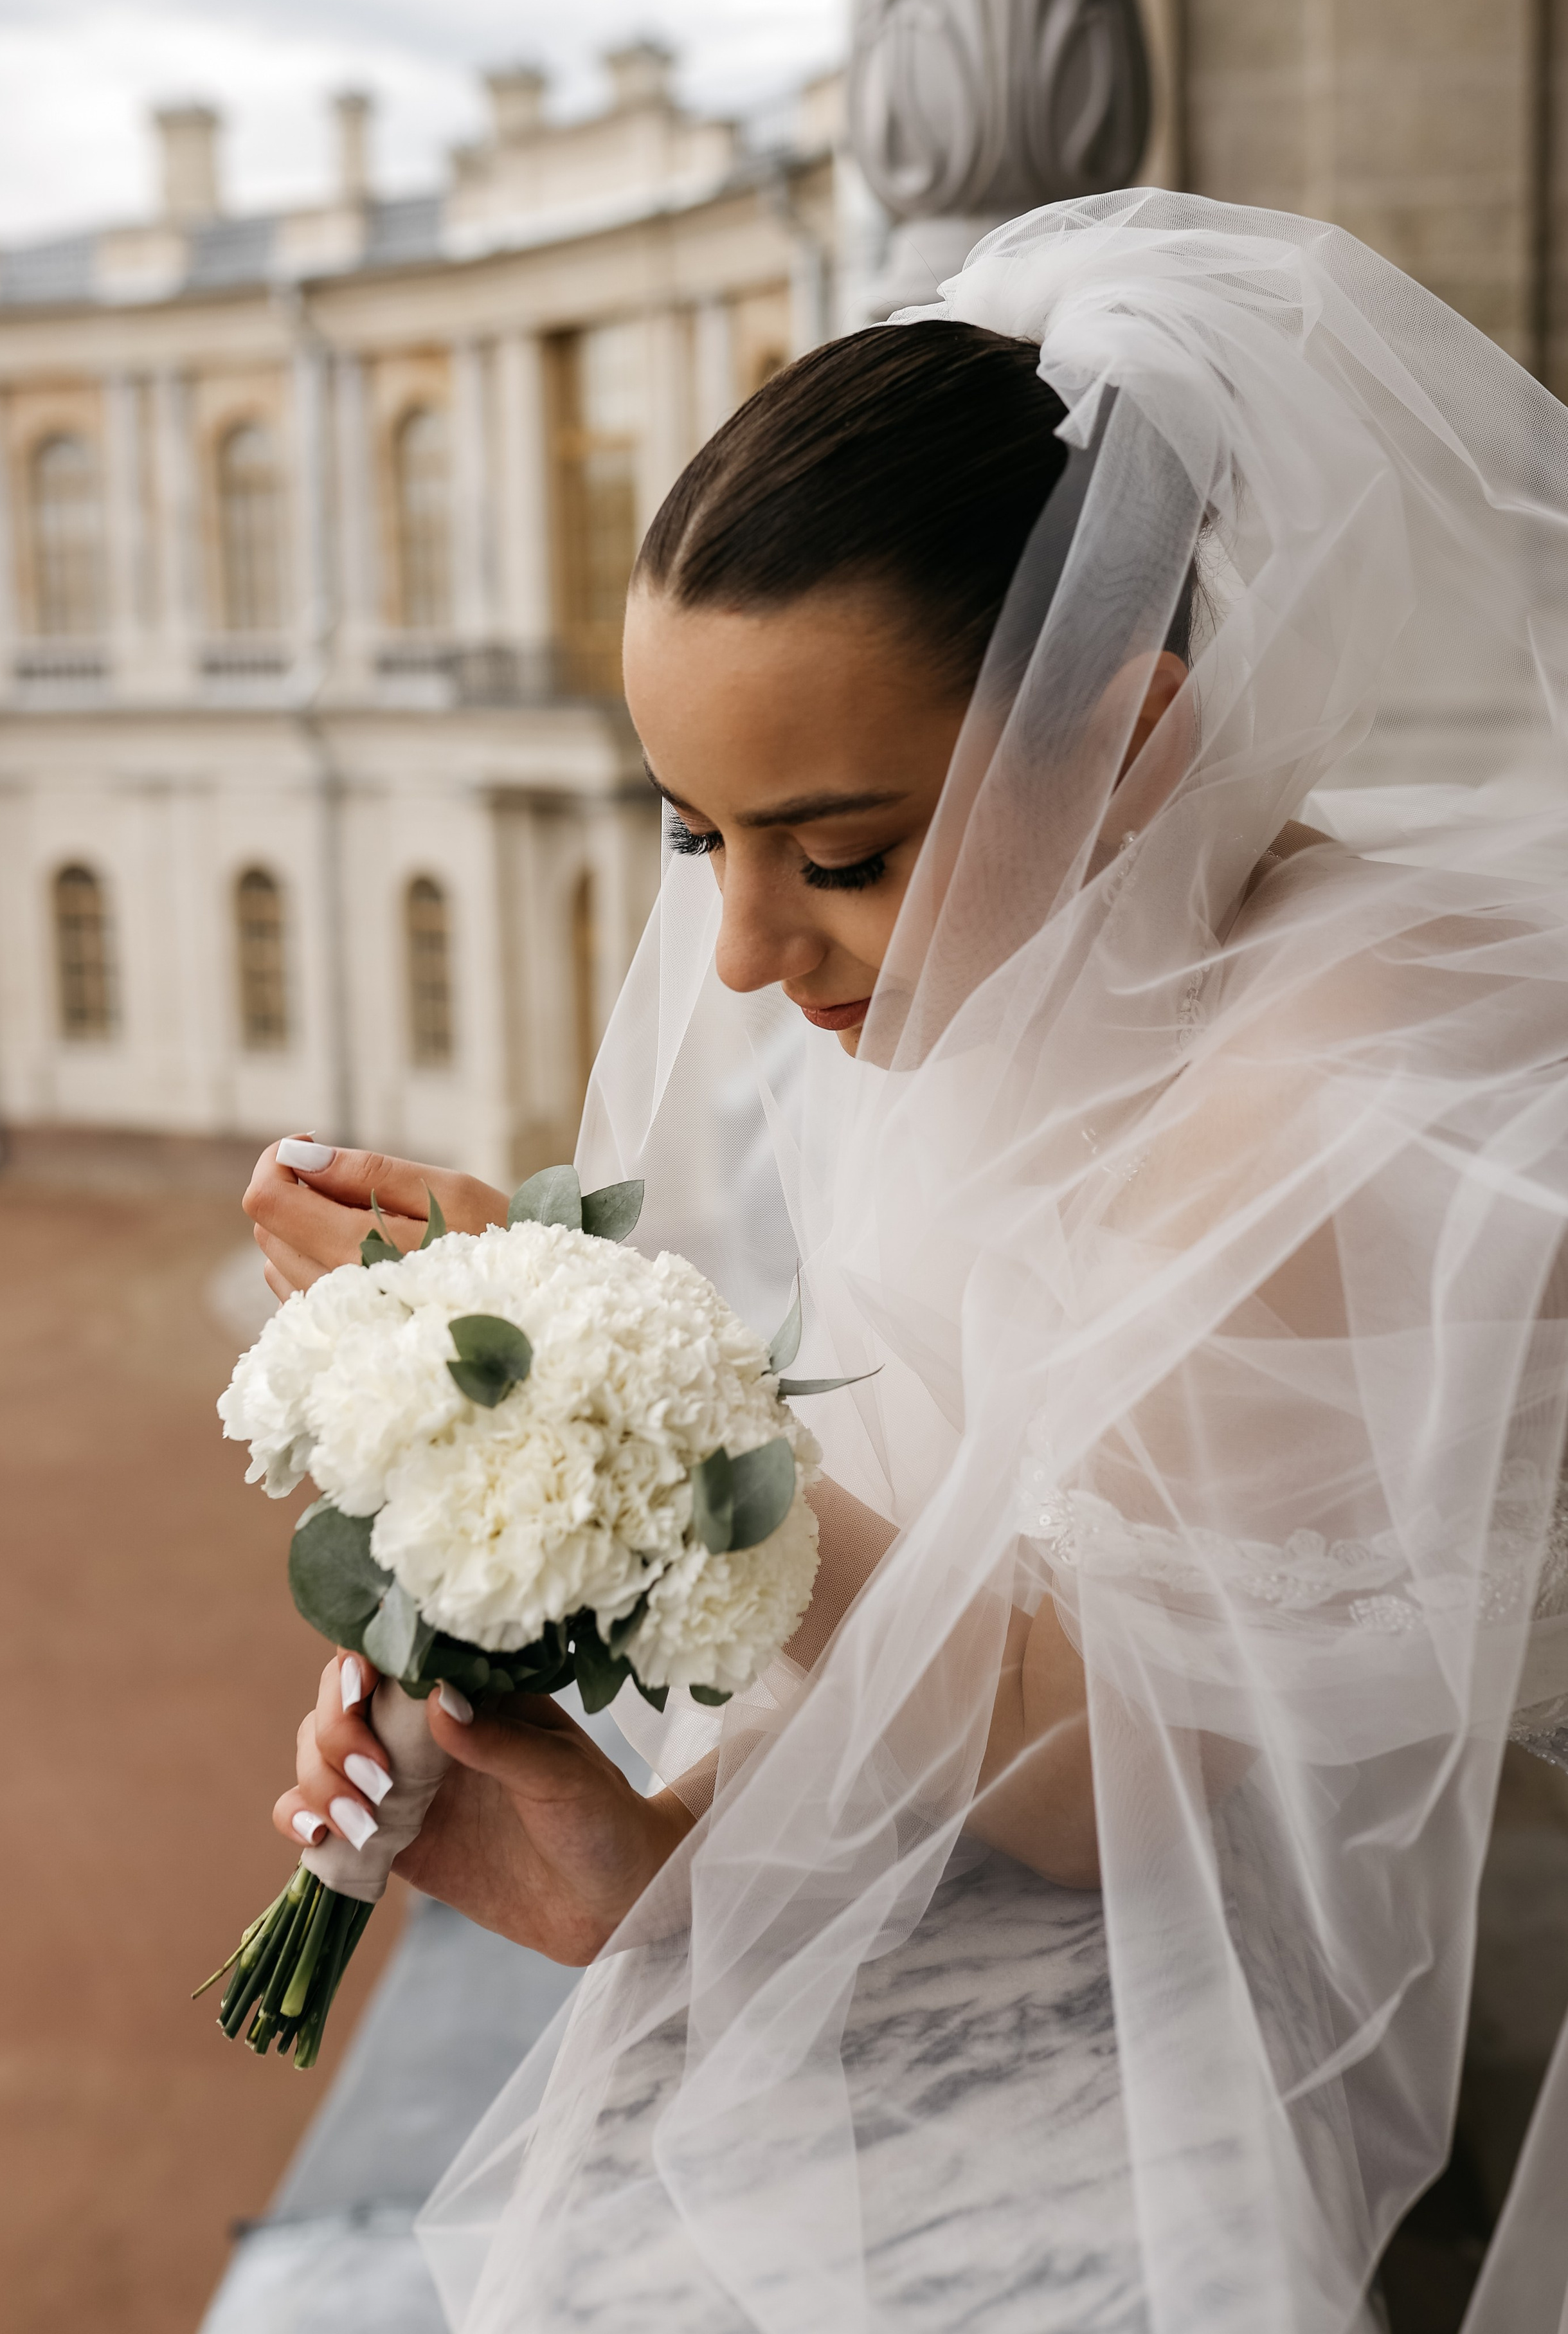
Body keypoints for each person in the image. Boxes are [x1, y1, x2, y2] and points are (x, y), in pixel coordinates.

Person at [240, 192, 1568, 2333]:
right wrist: (650, 1852)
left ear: (1130, 733)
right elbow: (999, 1560)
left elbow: (1098, 1764)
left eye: (840, 854)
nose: (751, 955)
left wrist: (654, 1421)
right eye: (699, 837)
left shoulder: (1334, 1107)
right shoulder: (1024, 968)